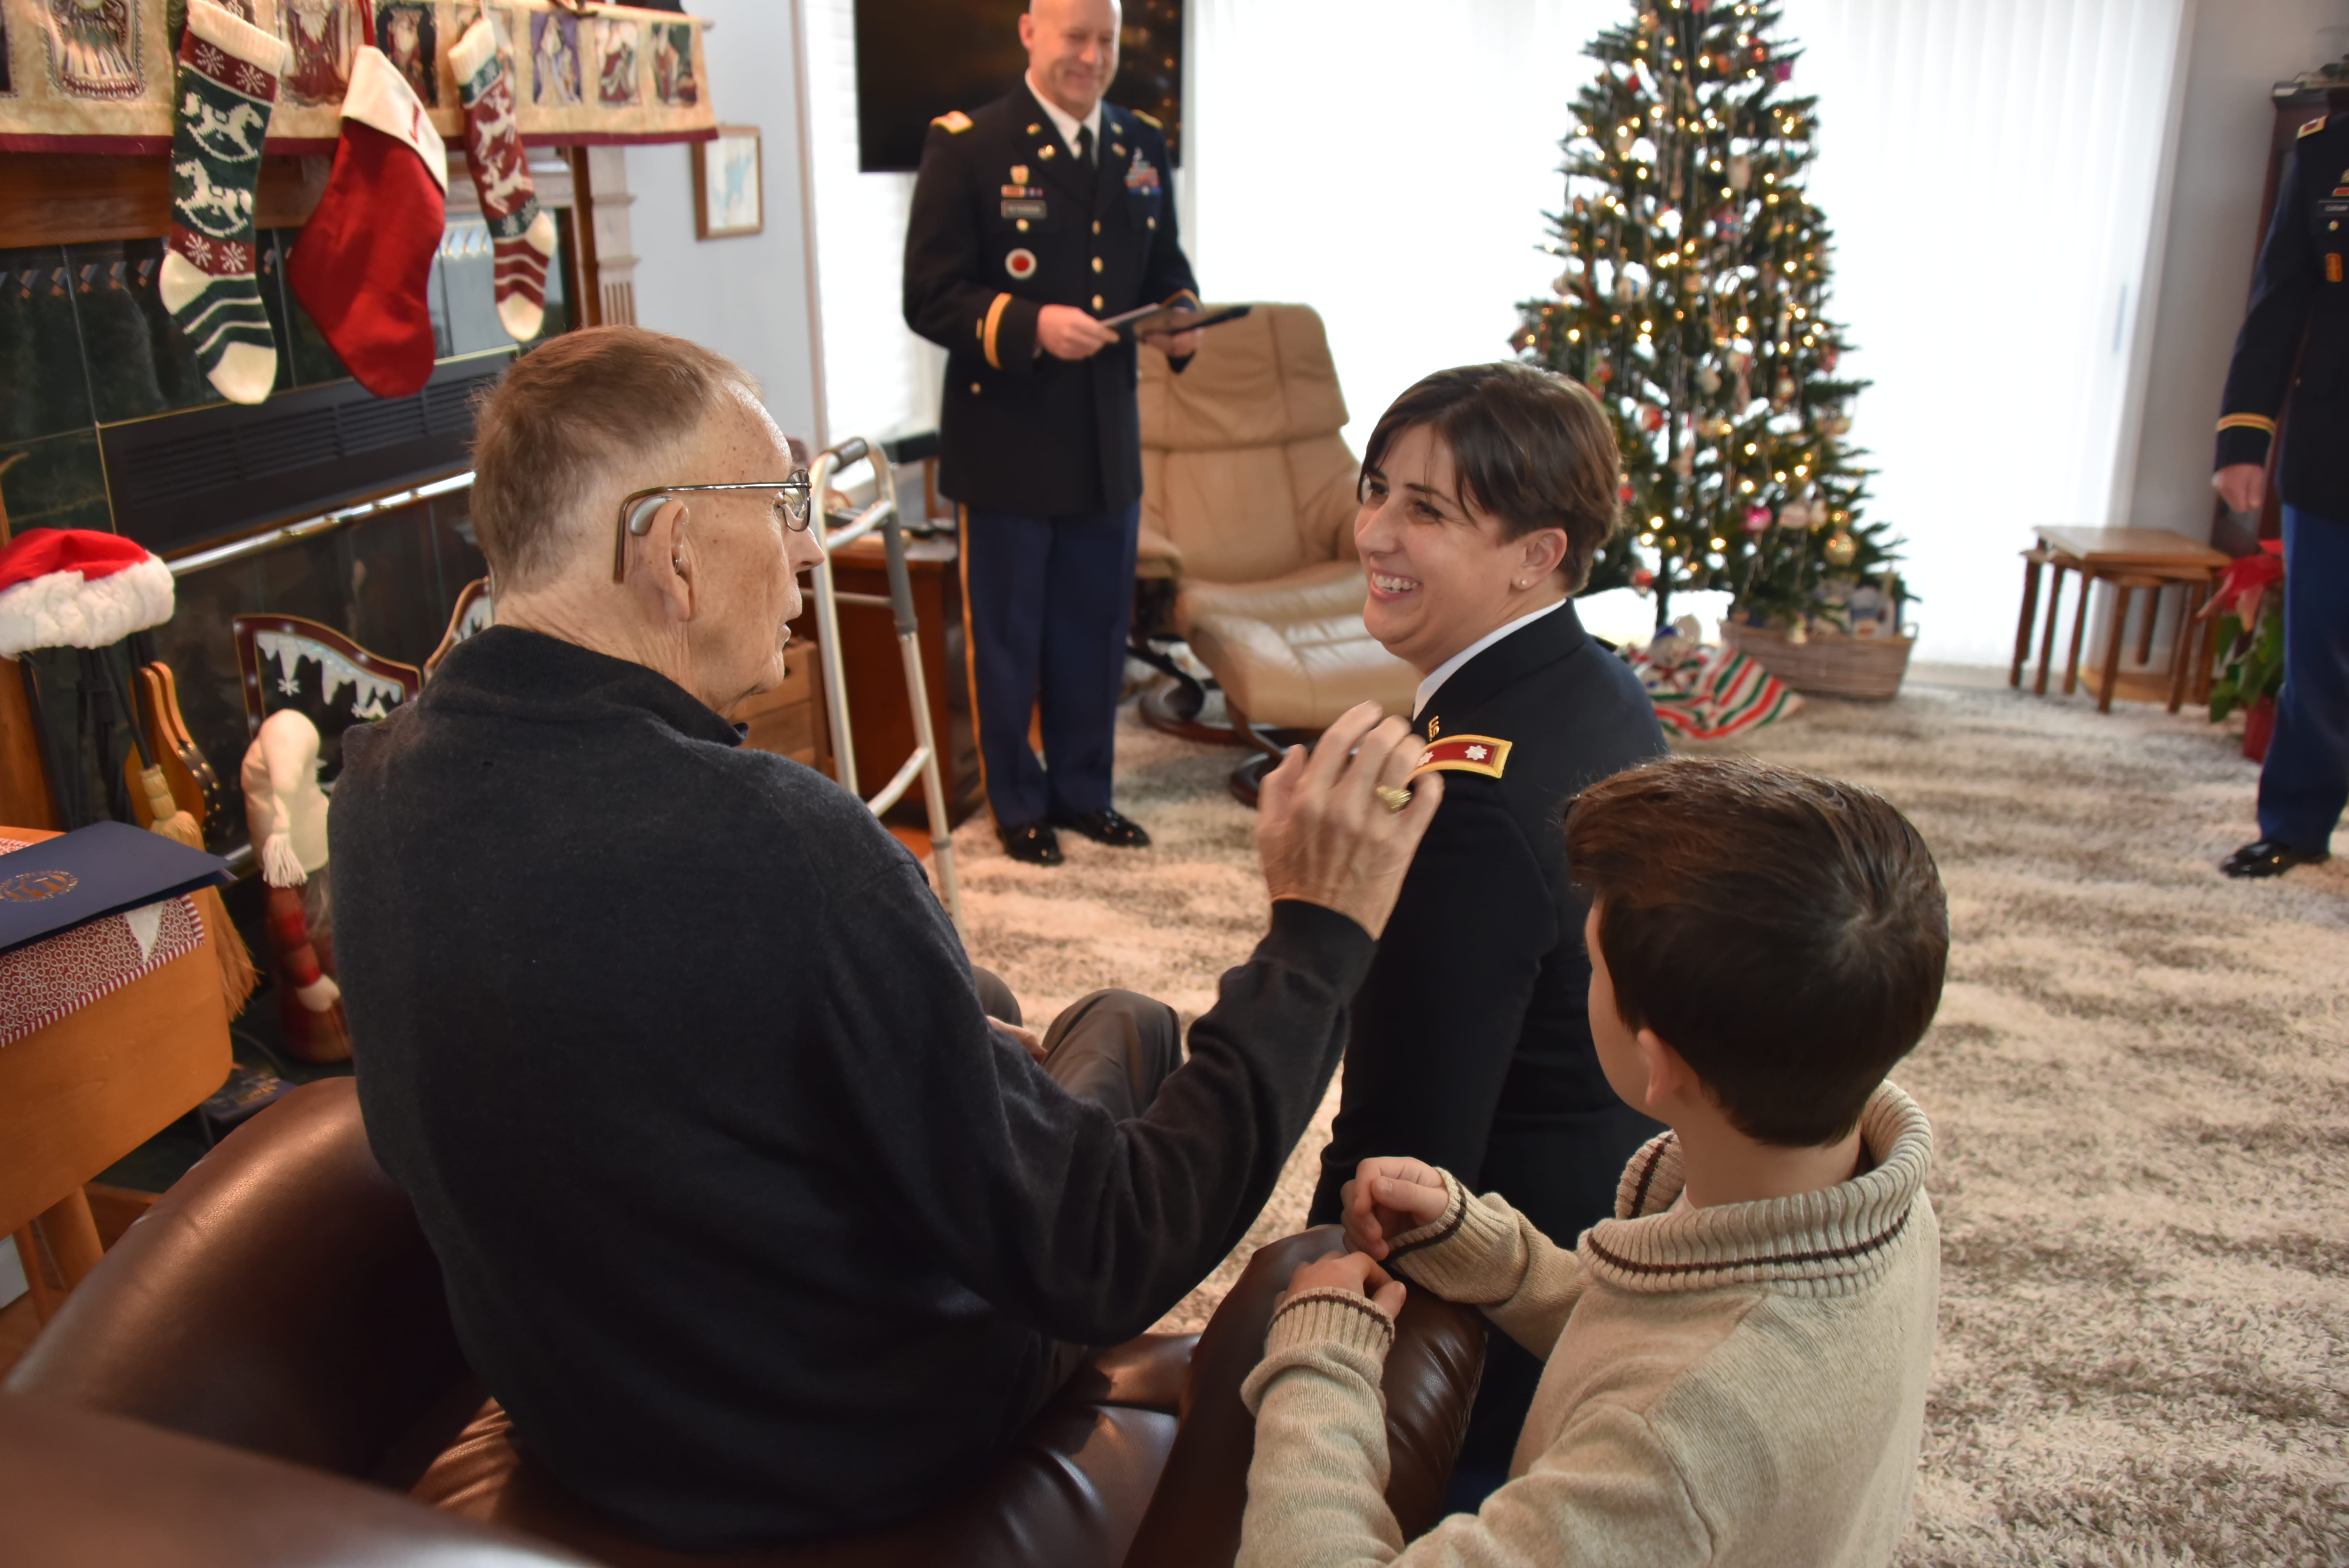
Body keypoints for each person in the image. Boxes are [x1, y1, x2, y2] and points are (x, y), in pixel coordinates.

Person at [330, 326, 1444, 1550]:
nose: (812, 543)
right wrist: (1319, 932)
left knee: (1075, 1021)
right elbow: (1102, 1253)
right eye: (783, 502)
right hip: (837, 1436)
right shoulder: (773, 841)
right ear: (676, 551)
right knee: (1130, 1029)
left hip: (595, 1408)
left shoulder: (381, 781)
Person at [1239, 755, 1949, 1567]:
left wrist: (1319, 1362)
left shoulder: (1669, 1454)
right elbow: (1660, 1335)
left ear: (1658, 1063)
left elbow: (1687, 1391)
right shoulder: (1866, 1196)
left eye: (1591, 967)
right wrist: (1505, 1260)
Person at [1301, 363, 1667, 1496]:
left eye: (1428, 511)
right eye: (1377, 491)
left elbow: (1401, 1152)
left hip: (1493, 1334)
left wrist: (1295, 1304)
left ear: (1535, 555)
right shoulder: (1598, 686)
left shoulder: (1461, 805)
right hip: (1601, 1213)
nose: (1375, 532)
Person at [902, 0, 1204, 866]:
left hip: (1106, 437)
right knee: (1006, 639)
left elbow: (1164, 266)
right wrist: (1031, 324)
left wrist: (1179, 314)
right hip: (1006, 439)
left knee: (1093, 630)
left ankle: (1084, 794)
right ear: (1030, 30)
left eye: (1105, 40)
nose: (1091, 56)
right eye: (1075, 36)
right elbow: (929, 295)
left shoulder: (1139, 145)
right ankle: (1018, 805)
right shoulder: (968, 144)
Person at [2212, 112, 2347, 880]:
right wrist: (2242, 438)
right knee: (2318, 649)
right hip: (2334, 443)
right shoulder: (2324, 148)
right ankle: (2295, 823)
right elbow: (2276, 304)